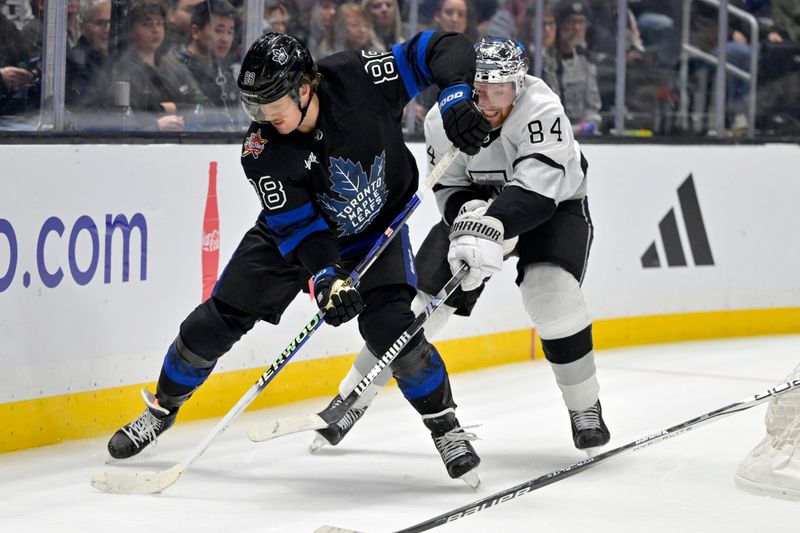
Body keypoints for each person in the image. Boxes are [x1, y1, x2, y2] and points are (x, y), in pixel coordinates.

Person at [104, 30, 491, 486]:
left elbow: (438, 48)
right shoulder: (261, 152)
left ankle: (446, 427)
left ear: (304, 88)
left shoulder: (358, 77)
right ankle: (162, 409)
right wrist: (326, 279)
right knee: (211, 324)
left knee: (393, 334)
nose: (262, 118)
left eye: (271, 105)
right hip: (291, 241)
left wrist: (455, 97)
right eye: (253, 107)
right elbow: (301, 230)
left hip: (374, 236)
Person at [313, 35, 611, 458]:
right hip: (479, 206)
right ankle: (351, 399)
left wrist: (487, 226)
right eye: (480, 89)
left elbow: (539, 191)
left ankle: (585, 407)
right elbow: (448, 185)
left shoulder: (543, 109)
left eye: (501, 89)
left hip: (552, 205)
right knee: (416, 308)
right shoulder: (442, 119)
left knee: (551, 295)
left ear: (519, 85)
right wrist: (467, 213)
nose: (489, 101)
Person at [103, 0, 205, 131]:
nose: (155, 30)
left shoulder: (173, 65)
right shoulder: (122, 71)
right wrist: (154, 126)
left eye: (159, 23)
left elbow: (202, 103)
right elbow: (125, 120)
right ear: (131, 30)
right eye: (146, 24)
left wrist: (168, 107)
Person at [161, 0, 243, 130]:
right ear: (195, 31)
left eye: (230, 32)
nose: (225, 39)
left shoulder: (224, 70)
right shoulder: (174, 66)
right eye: (218, 30)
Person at [65, 0, 111, 109]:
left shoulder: (118, 57)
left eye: (111, 22)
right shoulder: (77, 63)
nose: (107, 29)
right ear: (82, 27)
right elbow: (88, 111)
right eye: (100, 23)